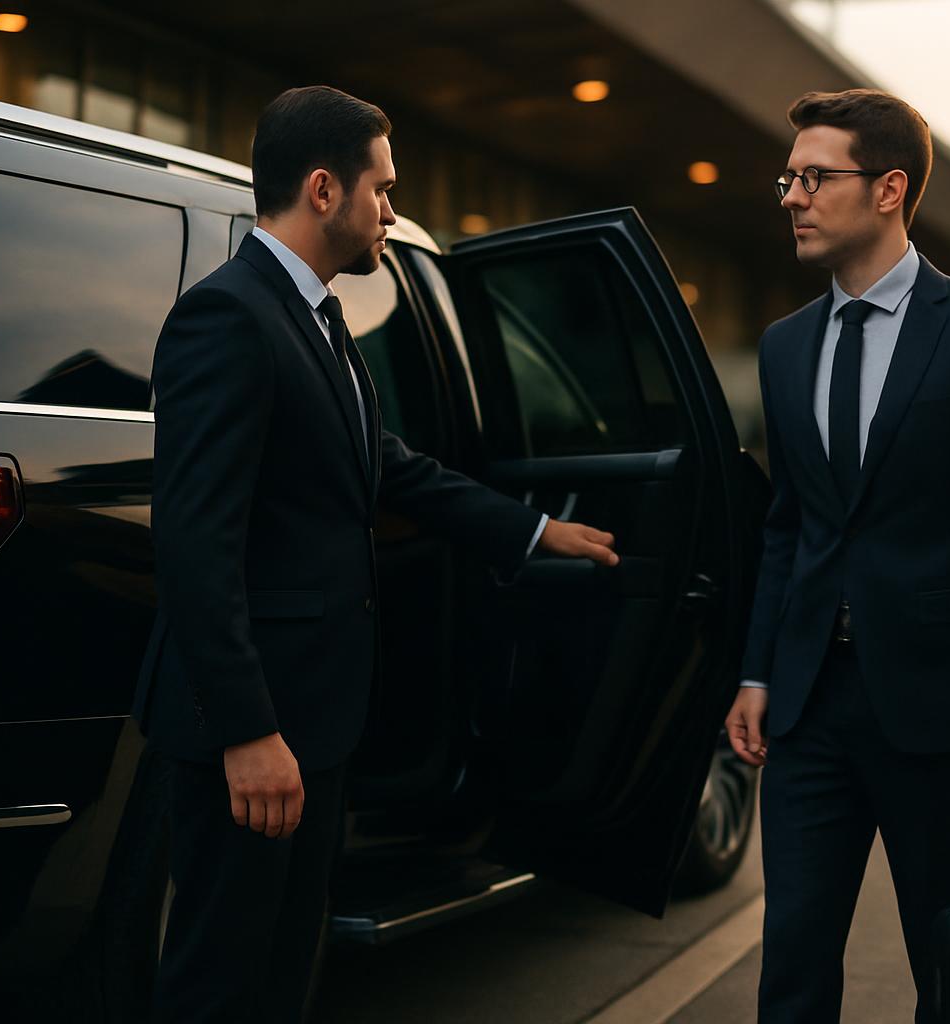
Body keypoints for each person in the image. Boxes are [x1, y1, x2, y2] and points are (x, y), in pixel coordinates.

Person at [131, 85, 619, 1023]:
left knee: (282, 975)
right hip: (255, 728)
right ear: (325, 190)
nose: (392, 211)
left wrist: (529, 528)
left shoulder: (316, 317)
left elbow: (383, 465)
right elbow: (197, 542)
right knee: (218, 983)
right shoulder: (227, 318)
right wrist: (247, 731)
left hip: (314, 720)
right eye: (384, 191)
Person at [723, 88, 950, 1024]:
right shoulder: (784, 346)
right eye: (789, 177)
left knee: (948, 967)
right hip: (808, 705)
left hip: (937, 703)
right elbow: (788, 526)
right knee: (792, 966)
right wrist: (759, 669)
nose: (792, 197)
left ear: (889, 188)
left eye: (816, 177)